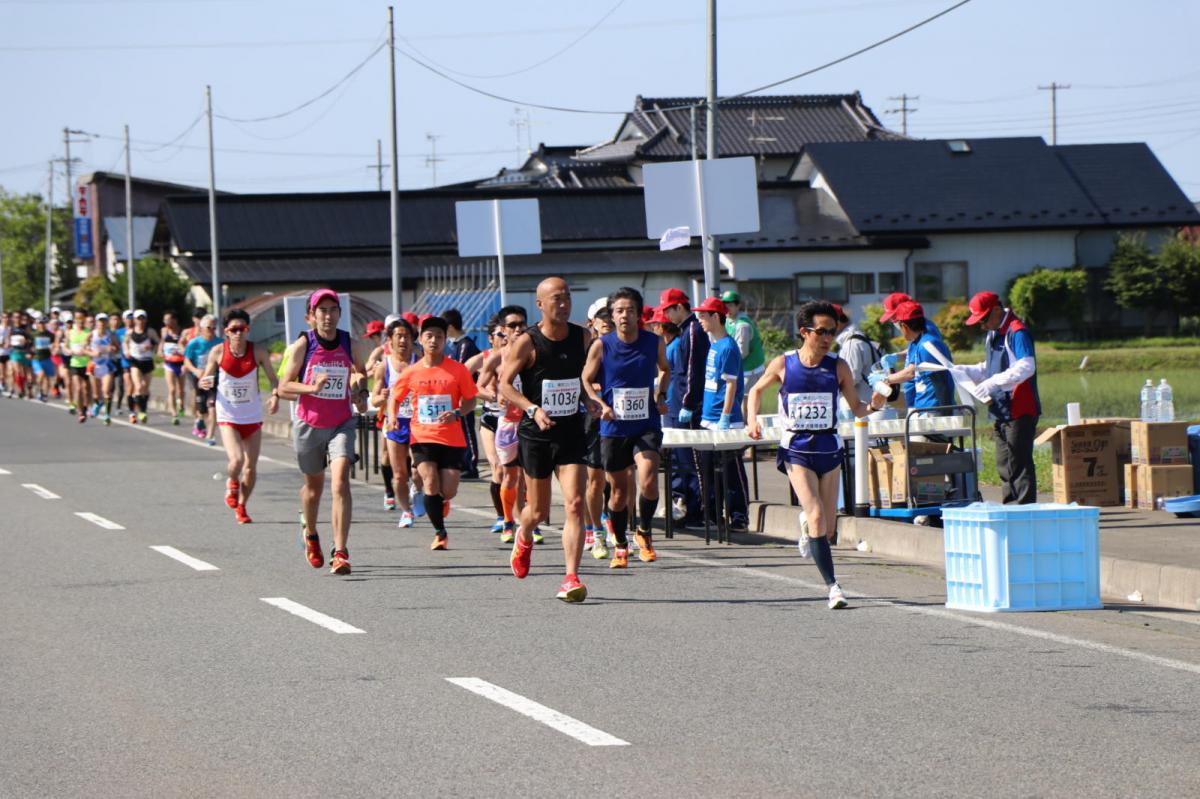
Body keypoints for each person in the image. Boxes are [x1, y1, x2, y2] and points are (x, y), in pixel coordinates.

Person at [748, 300, 887, 609]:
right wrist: (751, 420)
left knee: (829, 528)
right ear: (804, 332)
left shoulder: (838, 366)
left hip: (829, 448)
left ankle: (808, 527)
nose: (827, 338)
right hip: (797, 449)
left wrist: (875, 404)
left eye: (832, 332)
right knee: (817, 516)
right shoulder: (784, 363)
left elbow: (858, 409)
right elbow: (756, 391)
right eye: (821, 332)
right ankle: (833, 587)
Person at [499, 276, 595, 603]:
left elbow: (581, 378)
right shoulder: (528, 342)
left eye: (567, 297)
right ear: (540, 304)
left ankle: (570, 577)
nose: (564, 303)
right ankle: (524, 534)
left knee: (575, 503)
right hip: (537, 434)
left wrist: (589, 400)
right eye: (557, 298)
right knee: (537, 511)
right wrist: (532, 409)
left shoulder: (583, 336)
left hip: (570, 431)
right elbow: (505, 384)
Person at [280, 288, 370, 575]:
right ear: (311, 315)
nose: (328, 316)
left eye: (333, 310)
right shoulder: (303, 345)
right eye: (322, 310)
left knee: (340, 480)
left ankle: (340, 552)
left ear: (339, 314)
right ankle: (311, 533)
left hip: (341, 422)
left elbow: (360, 372)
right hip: (309, 424)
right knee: (313, 488)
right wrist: (312, 387)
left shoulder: (349, 343)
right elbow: (284, 386)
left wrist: (360, 391)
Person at [582, 287, 670, 569]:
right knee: (618, 492)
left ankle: (644, 531)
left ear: (638, 314)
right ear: (612, 314)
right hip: (614, 427)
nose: (624, 316)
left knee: (649, 479)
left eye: (630, 310)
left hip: (646, 423)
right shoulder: (601, 345)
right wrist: (599, 404)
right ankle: (620, 543)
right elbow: (585, 379)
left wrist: (660, 395)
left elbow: (665, 369)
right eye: (619, 311)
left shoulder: (653, 341)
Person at [390, 315, 479, 551]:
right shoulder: (412, 371)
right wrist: (392, 417)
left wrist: (457, 413)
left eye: (439, 336)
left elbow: (471, 400)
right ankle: (440, 533)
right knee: (429, 481)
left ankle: (441, 501)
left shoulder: (458, 370)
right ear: (420, 339)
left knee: (448, 489)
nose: (434, 340)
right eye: (429, 336)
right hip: (422, 436)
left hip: (451, 438)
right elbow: (395, 398)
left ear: (445, 340)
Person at [952, 291, 1041, 504]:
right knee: (1004, 463)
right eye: (979, 321)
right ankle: (1010, 508)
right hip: (1000, 407)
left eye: (984, 319)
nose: (982, 325)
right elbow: (990, 367)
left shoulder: (1017, 331)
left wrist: (993, 382)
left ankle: (1024, 510)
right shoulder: (992, 334)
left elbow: (1026, 366)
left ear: (997, 310)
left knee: (1018, 463)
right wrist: (967, 370)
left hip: (1019, 407)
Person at [198, 308, 279, 524]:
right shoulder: (218, 351)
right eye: (233, 329)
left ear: (247, 330)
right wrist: (204, 382)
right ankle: (232, 481)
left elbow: (273, 379)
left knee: (250, 468)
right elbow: (205, 377)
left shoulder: (258, 351)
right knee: (237, 460)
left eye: (241, 329)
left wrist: (275, 395)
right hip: (228, 415)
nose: (238, 333)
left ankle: (242, 506)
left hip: (252, 415)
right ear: (226, 331)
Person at [474, 305, 529, 545]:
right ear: (503, 330)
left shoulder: (535, 352)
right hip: (506, 423)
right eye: (512, 325)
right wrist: (494, 395)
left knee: (529, 476)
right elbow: (478, 387)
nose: (518, 329)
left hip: (530, 422)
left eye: (521, 324)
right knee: (510, 475)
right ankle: (508, 520)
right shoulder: (497, 357)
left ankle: (527, 523)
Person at [695, 297, 750, 531]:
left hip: (725, 419)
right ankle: (713, 514)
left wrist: (725, 415)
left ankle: (739, 516)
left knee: (732, 470)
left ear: (716, 317)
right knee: (710, 470)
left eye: (704, 315)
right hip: (709, 417)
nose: (700, 320)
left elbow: (731, 385)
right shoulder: (714, 344)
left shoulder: (728, 347)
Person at [660, 287, 707, 527]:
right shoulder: (685, 331)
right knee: (683, 460)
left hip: (687, 405)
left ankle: (699, 511)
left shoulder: (693, 331)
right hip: (678, 402)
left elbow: (692, 371)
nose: (666, 316)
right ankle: (690, 507)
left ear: (679, 307)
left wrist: (688, 403)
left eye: (668, 310)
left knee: (692, 461)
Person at [372, 316, 418, 528]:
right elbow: (374, 399)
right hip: (395, 423)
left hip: (418, 423)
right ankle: (406, 511)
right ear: (390, 340)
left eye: (407, 336)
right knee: (399, 475)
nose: (403, 340)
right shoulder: (384, 366)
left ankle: (417, 491)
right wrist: (382, 397)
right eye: (399, 336)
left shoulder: (420, 362)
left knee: (417, 471)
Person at [465, 317, 509, 534]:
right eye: (500, 334)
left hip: (514, 419)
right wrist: (487, 394)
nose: (504, 338)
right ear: (491, 338)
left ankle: (519, 513)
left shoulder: (519, 356)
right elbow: (462, 377)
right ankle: (502, 516)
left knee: (516, 471)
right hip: (491, 418)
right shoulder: (482, 359)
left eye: (506, 333)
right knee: (497, 467)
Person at [581, 299, 613, 558]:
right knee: (593, 479)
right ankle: (592, 528)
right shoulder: (585, 348)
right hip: (589, 419)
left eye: (610, 316)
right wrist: (593, 390)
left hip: (618, 417)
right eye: (601, 318)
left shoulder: (623, 345)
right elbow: (580, 380)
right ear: (592, 322)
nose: (607, 322)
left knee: (619, 477)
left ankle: (616, 526)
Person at [883, 301, 955, 413]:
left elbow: (941, 384)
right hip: (923, 408)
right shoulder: (919, 341)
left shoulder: (927, 345)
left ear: (904, 326)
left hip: (932, 410)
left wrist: (945, 414)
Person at [445, 308, 482, 480]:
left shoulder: (465, 345)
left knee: (467, 429)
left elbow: (460, 369)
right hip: (456, 395)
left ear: (450, 327)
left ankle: (471, 464)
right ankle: (463, 462)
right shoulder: (454, 346)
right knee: (460, 429)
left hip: (465, 394)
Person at [720, 290, 766, 405]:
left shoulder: (742, 325)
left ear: (738, 306)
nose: (726, 308)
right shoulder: (728, 321)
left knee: (748, 402)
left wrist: (725, 363)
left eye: (730, 305)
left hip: (751, 369)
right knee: (740, 401)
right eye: (724, 305)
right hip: (741, 368)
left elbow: (742, 352)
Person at [183, 316, 222, 444]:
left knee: (213, 406)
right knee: (202, 408)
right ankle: (200, 419)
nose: (212, 330)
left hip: (215, 378)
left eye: (214, 328)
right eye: (209, 327)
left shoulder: (221, 343)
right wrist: (195, 370)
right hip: (199, 378)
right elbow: (187, 361)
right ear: (202, 328)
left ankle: (210, 436)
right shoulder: (194, 343)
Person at [832, 304, 880, 408]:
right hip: (869, 403)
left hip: (862, 406)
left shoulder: (851, 343)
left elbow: (850, 378)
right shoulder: (858, 338)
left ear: (837, 323)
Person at [123, 309, 159, 424]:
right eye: (138, 318)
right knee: (138, 386)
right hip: (135, 361)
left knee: (145, 388)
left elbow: (157, 342)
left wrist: (152, 348)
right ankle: (140, 411)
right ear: (134, 320)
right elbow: (125, 342)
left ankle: (143, 409)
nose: (141, 321)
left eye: (143, 318)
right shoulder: (130, 332)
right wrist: (127, 351)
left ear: (146, 319)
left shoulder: (150, 332)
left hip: (147, 361)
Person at [87, 313, 120, 425]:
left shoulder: (111, 335)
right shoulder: (91, 334)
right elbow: (84, 348)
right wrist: (92, 353)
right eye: (100, 321)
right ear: (96, 322)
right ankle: (97, 403)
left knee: (106, 391)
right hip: (94, 365)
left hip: (107, 365)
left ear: (107, 322)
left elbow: (118, 348)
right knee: (96, 394)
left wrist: (113, 348)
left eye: (104, 321)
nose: (102, 323)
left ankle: (107, 415)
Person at [160, 311, 188, 425]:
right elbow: (162, 343)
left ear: (175, 320)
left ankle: (181, 405)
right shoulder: (164, 331)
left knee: (181, 390)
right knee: (172, 389)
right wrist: (160, 351)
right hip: (169, 363)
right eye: (165, 320)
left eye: (168, 319)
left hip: (181, 363)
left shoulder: (183, 332)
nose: (166, 322)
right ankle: (174, 414)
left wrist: (181, 351)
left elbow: (187, 346)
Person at [65, 309, 91, 421]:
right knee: (79, 388)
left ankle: (86, 407)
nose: (79, 320)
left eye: (81, 318)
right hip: (75, 364)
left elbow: (92, 347)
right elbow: (65, 347)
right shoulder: (70, 332)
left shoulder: (89, 332)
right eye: (77, 318)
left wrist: (86, 351)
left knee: (86, 389)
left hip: (87, 364)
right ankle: (81, 412)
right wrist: (69, 351)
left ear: (85, 318)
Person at [30, 315, 55, 403]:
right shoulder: (33, 334)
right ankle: (37, 389)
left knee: (47, 378)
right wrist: (29, 352)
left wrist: (54, 348)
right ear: (37, 324)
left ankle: (44, 394)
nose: (42, 325)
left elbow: (54, 344)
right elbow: (28, 345)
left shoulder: (51, 335)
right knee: (41, 374)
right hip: (36, 358)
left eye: (44, 323)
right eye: (40, 323)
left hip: (47, 358)